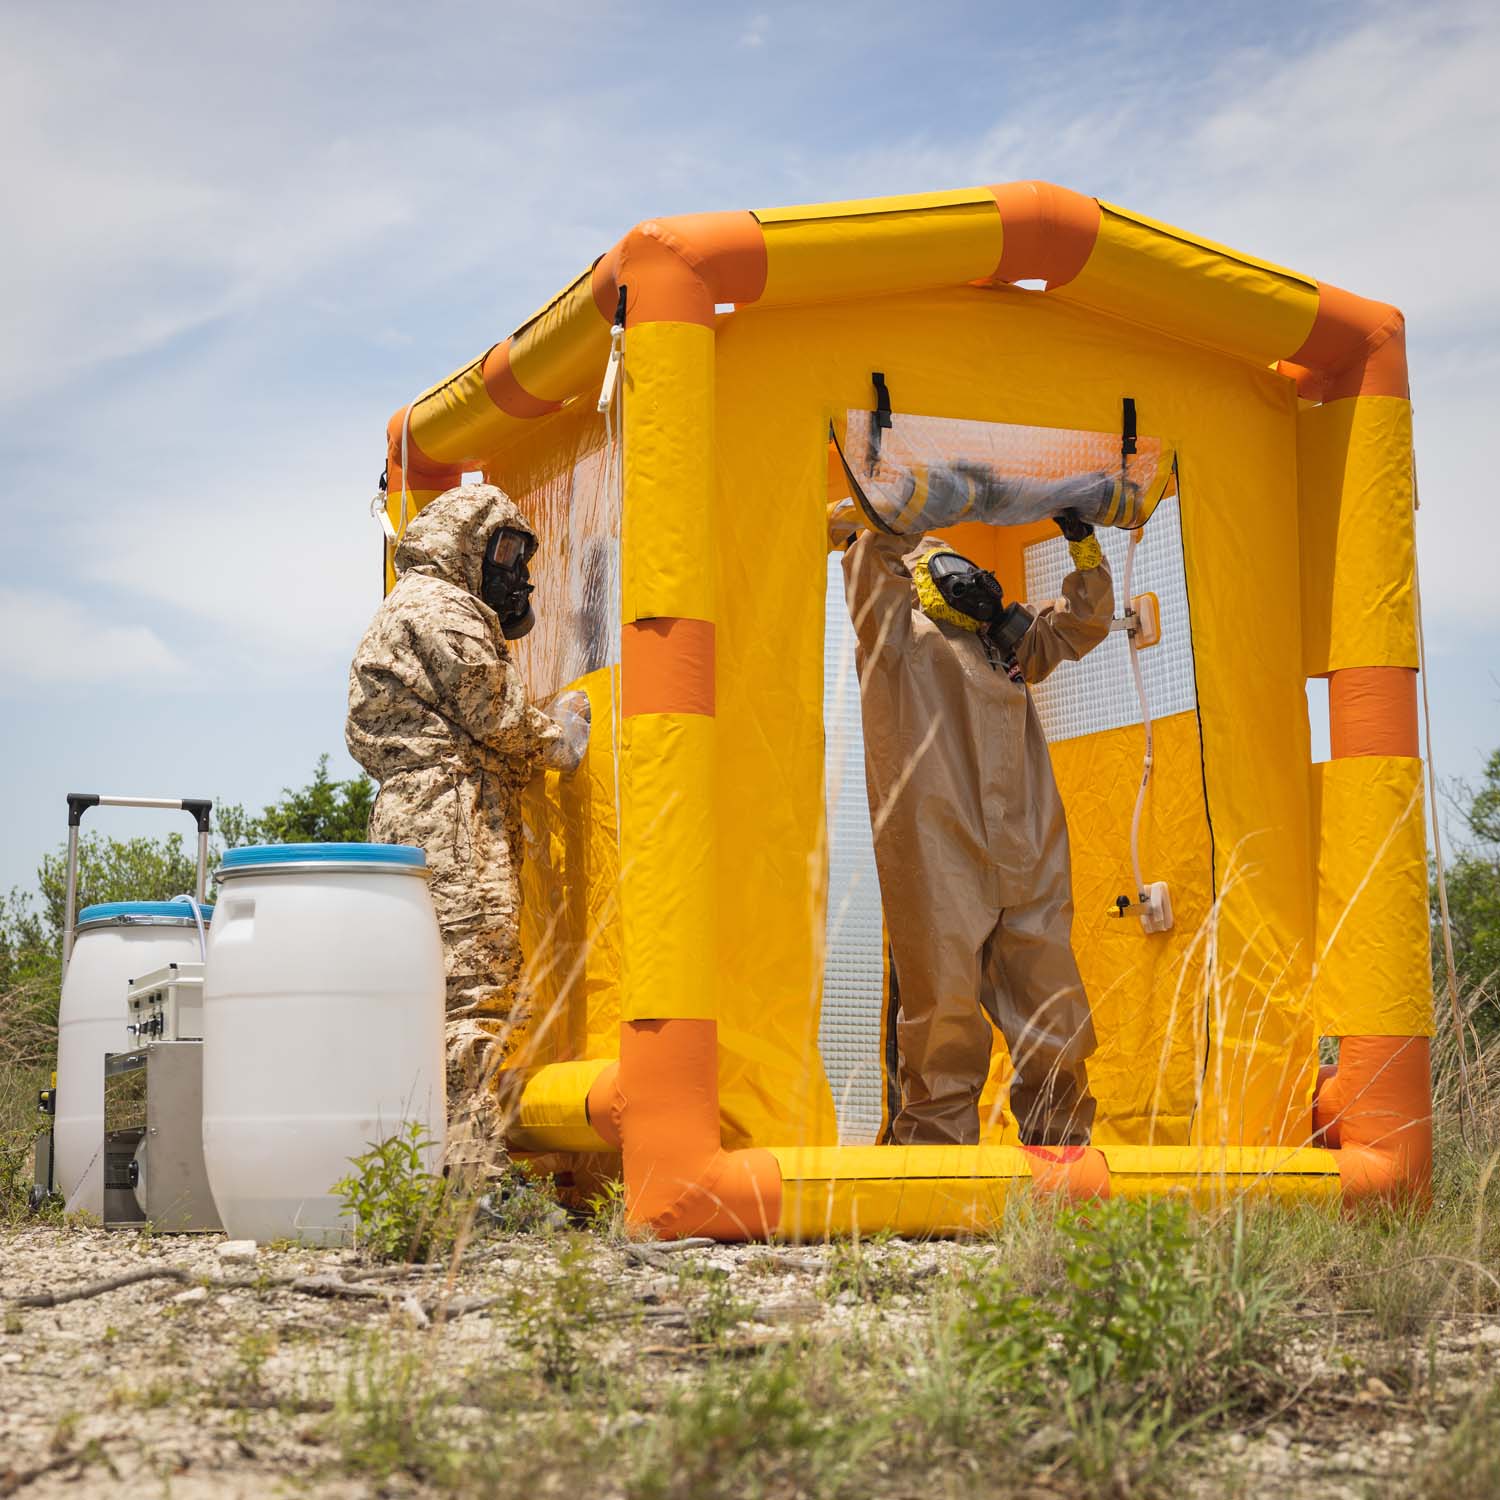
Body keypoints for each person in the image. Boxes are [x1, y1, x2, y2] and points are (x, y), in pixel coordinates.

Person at [835, 506, 1111, 1147]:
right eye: (948, 570)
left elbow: (1082, 623)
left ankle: (1062, 1159)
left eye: (973, 572)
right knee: (943, 1021)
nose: (970, 583)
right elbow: (871, 567)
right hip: (938, 855)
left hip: (1027, 854)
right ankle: (936, 1170)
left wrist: (1082, 544)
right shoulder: (896, 638)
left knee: (1055, 1013)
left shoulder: (1004, 646)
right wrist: (911, 501)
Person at [346, 482, 589, 1168]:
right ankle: (472, 1170)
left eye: (518, 552)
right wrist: (558, 738)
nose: (514, 571)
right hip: (451, 810)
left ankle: (425, 1159)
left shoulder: (412, 607)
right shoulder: (441, 609)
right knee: (473, 983)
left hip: (428, 807)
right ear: (464, 546)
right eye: (502, 551)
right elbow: (493, 711)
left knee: (431, 986)